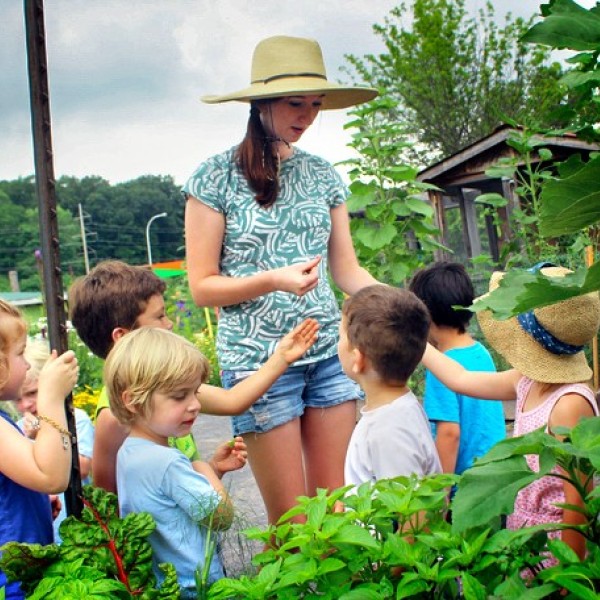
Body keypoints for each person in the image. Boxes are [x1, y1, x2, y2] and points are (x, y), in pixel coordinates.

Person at [183, 35, 379, 526]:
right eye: (296, 103)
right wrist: (271, 279)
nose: (308, 115)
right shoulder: (214, 178)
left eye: (316, 104)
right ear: (261, 102)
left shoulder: (323, 175)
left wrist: (402, 304)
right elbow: (202, 286)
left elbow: (347, 271)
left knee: (337, 515)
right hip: (261, 366)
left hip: (329, 358)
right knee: (292, 524)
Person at [69, 259, 319, 494]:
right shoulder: (114, 416)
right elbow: (108, 496)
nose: (168, 324)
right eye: (159, 316)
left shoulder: (170, 385)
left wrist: (282, 357)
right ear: (122, 336)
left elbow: (232, 401)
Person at [422, 265, 600, 562]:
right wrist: (416, 339)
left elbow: (577, 503)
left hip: (552, 555)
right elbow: (461, 380)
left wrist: (567, 578)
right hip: (525, 544)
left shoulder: (569, 403)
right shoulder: (528, 380)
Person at [103, 328, 236, 597]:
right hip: (197, 588)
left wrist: (214, 469)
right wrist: (204, 469)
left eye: (195, 392)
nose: (195, 405)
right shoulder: (167, 462)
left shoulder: (129, 453)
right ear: (133, 401)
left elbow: (172, 505)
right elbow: (221, 518)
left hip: (163, 587)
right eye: (179, 396)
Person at [0, 299, 78, 599]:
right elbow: (52, 477)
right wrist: (50, 397)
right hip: (13, 585)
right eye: (19, 354)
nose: (28, 364)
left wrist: (33, 498)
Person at [409, 262, 505, 478]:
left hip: (465, 486)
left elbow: (449, 434)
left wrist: (440, 495)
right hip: (496, 475)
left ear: (424, 315)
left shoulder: (441, 367)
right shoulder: (481, 353)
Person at [338, 285, 441, 487]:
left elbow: (413, 514)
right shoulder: (399, 408)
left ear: (358, 358)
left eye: (341, 336)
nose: (338, 342)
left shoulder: (388, 431)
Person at [15, 338, 94, 542]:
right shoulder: (16, 429)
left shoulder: (77, 419)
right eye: (18, 399)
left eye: (33, 393)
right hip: (46, 527)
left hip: (77, 521)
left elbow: (83, 467)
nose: (26, 404)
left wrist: (45, 434)